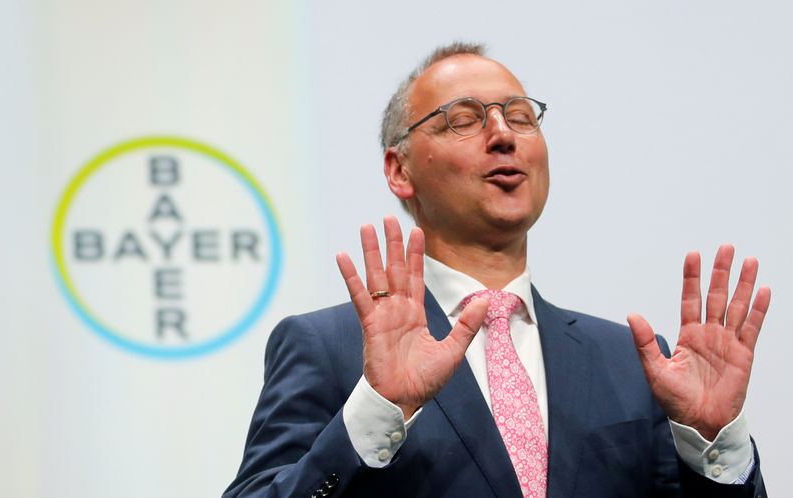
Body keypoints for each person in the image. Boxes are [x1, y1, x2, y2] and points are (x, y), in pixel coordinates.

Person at [223, 42, 770, 497]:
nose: (502, 134)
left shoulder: (631, 362)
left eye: (521, 117)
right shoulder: (329, 346)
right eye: (462, 120)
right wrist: (377, 409)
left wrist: (712, 440)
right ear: (399, 169)